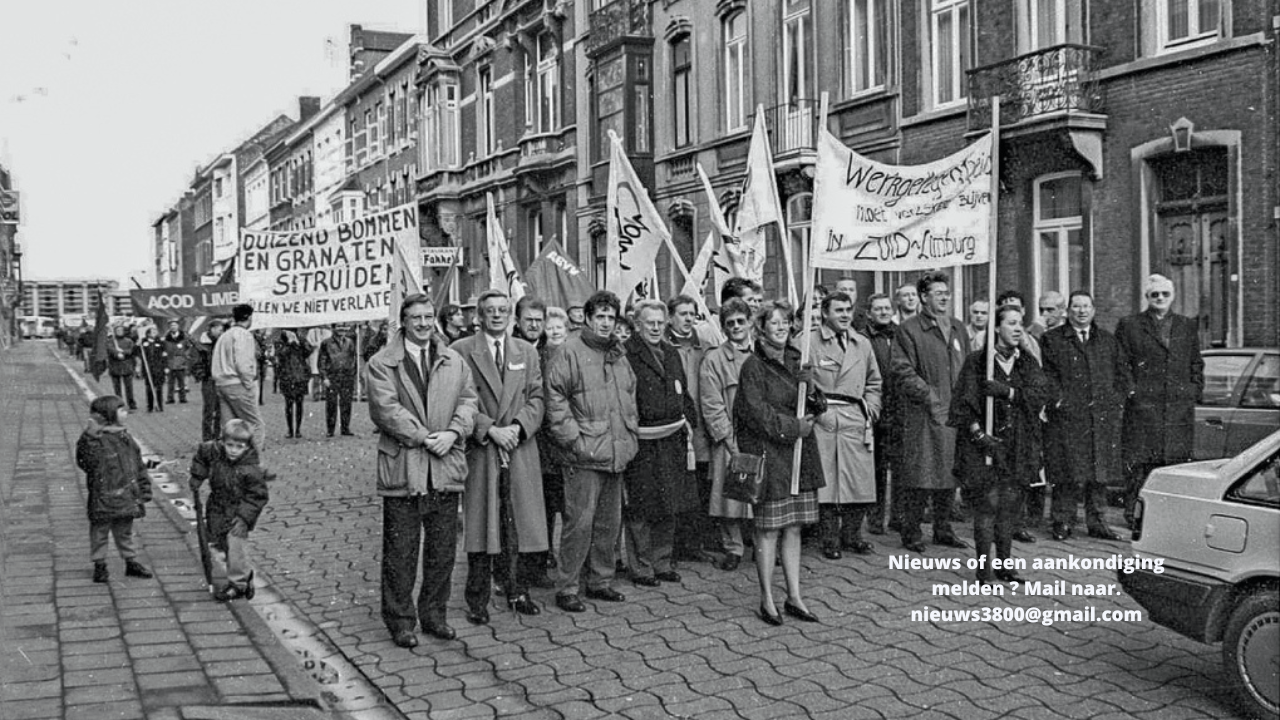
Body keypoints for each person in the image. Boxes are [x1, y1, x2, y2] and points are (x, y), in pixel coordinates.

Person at [366, 293, 478, 647]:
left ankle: (434, 615)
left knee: (442, 550)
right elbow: (385, 409)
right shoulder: (382, 363)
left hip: (444, 467)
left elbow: (469, 401)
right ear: (404, 321)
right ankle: (400, 621)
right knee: (401, 552)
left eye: (429, 317)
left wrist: (454, 432)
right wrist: (426, 437)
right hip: (406, 467)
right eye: (416, 318)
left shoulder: (452, 360)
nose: (424, 324)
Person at [452, 290, 548, 623]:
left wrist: (519, 428)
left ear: (511, 316)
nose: (497, 315)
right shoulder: (460, 351)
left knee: (518, 521)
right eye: (490, 310)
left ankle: (518, 590)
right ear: (479, 315)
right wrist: (490, 429)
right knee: (482, 524)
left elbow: (537, 397)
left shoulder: (525, 352)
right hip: (484, 448)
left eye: (503, 310)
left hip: (518, 446)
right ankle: (477, 599)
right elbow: (457, 401)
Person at [544, 291, 639, 612]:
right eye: (599, 316)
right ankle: (567, 586)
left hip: (615, 452)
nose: (605, 322)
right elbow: (555, 401)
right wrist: (576, 442)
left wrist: (629, 435)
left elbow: (629, 396)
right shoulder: (569, 351)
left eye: (611, 317)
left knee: (608, 524)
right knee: (579, 524)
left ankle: (600, 581)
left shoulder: (618, 354)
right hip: (584, 455)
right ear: (587, 318)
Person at [734, 299, 825, 625]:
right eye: (775, 323)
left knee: (794, 528)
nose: (782, 328)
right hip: (771, 457)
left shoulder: (797, 359)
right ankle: (767, 598)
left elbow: (818, 406)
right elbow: (757, 416)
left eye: (786, 323)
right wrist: (794, 428)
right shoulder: (753, 367)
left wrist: (812, 388)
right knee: (768, 529)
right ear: (761, 328)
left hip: (799, 457)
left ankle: (795, 596)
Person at [949, 304, 1051, 585]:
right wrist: (980, 436)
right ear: (997, 328)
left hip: (1017, 445)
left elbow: (1039, 395)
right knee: (986, 507)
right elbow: (962, 404)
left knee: (1010, 506)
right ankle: (984, 569)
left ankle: (1006, 565)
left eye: (1021, 323)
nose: (1018, 329)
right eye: (1011, 323)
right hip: (984, 446)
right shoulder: (978, 362)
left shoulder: (1026, 362)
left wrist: (1009, 391)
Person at [1116, 274, 1204, 529]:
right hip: (1143, 408)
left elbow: (1195, 362)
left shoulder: (1186, 326)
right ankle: (1134, 513)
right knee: (1140, 464)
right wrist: (1132, 393)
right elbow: (1121, 364)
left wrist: (1193, 391)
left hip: (1177, 409)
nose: (1160, 299)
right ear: (1147, 298)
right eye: (1155, 295)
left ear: (1172, 296)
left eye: (1165, 294)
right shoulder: (1130, 325)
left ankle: (1168, 518)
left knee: (1172, 463)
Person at [890, 272, 969, 554]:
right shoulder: (909, 330)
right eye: (938, 293)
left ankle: (943, 529)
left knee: (950, 473)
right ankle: (911, 531)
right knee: (921, 475)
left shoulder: (958, 328)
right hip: (924, 414)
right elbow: (902, 371)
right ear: (924, 297)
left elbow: (968, 367)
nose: (945, 297)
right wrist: (931, 397)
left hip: (955, 413)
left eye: (947, 292)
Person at [622, 300, 699, 588]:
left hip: (672, 439)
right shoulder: (625, 353)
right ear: (637, 325)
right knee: (641, 506)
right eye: (649, 323)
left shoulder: (670, 352)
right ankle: (641, 566)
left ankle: (662, 561)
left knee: (669, 502)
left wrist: (689, 419)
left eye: (659, 322)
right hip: (642, 440)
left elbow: (683, 391)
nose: (655, 328)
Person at [1042, 291, 1127, 542]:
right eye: (1076, 306)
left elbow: (1123, 374)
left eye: (1086, 306)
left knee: (1099, 473)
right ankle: (1062, 521)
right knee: (1067, 471)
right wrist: (1058, 401)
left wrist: (1115, 402)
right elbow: (1047, 375)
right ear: (1067, 311)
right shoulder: (1052, 340)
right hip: (1068, 417)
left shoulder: (1108, 341)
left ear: (1093, 310)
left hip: (1100, 417)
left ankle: (1098, 522)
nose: (1081, 311)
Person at [810, 291, 882, 559]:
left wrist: (871, 410)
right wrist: (814, 411)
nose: (844, 315)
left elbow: (874, 382)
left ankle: (852, 535)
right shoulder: (809, 343)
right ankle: (829, 540)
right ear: (824, 314)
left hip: (855, 419)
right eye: (838, 310)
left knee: (859, 483)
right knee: (827, 485)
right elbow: (799, 383)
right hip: (824, 417)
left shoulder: (862, 344)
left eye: (848, 310)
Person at [700, 298, 755, 572]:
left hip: (761, 437)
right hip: (729, 439)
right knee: (729, 498)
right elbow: (712, 406)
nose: (735, 326)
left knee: (761, 495)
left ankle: (761, 544)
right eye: (730, 323)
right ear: (723, 328)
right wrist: (731, 443)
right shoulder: (714, 359)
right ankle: (733, 548)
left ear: (750, 323)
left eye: (740, 321)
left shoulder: (763, 354)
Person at [189, 419, 271, 600]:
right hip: (217, 507)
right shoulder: (215, 452)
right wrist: (197, 476)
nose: (233, 450)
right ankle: (245, 574)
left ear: (248, 447)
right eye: (230, 445)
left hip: (238, 514)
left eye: (239, 447)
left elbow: (257, 496)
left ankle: (238, 584)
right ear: (222, 442)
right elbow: (202, 455)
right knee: (223, 544)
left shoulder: (250, 469)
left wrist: (243, 518)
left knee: (235, 547)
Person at [75, 395, 153, 583]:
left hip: (126, 494)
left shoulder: (125, 436)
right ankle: (99, 564)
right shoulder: (95, 439)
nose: (125, 413)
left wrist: (144, 487)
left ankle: (130, 561)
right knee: (100, 532)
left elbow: (137, 465)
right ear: (109, 415)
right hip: (104, 496)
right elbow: (87, 462)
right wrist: (90, 437)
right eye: (121, 410)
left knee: (125, 530)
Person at [666, 294, 716, 562]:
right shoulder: (664, 345)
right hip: (675, 427)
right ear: (670, 317)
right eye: (682, 313)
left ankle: (695, 543)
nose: (688, 319)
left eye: (691, 314)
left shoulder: (704, 345)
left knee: (699, 487)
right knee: (677, 486)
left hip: (700, 428)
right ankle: (674, 546)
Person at [535, 305, 570, 579]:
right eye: (550, 327)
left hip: (568, 441)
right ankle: (545, 552)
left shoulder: (573, 354)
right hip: (546, 441)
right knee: (547, 501)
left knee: (569, 503)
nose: (555, 331)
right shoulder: (538, 356)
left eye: (560, 326)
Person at [864, 293, 900, 536]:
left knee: (899, 465)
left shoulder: (901, 335)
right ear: (869, 313)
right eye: (878, 309)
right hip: (876, 408)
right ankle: (875, 518)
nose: (884, 312)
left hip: (899, 408)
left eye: (887, 308)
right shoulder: (864, 338)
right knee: (876, 467)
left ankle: (898, 516)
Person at [211, 304, 265, 453]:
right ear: (248, 317)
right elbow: (243, 364)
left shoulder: (225, 335)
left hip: (222, 384)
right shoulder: (244, 335)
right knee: (255, 425)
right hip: (237, 384)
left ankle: (228, 464)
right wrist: (249, 383)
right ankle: (253, 464)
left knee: (229, 427)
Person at [190, 319, 227, 442]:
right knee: (209, 411)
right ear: (212, 329)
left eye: (222, 330)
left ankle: (217, 436)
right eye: (219, 329)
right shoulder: (201, 344)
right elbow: (195, 363)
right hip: (209, 380)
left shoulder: (222, 343)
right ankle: (207, 438)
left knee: (220, 410)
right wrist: (204, 375)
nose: (221, 332)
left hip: (222, 380)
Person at [319, 324, 359, 437]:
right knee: (331, 404)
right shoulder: (326, 343)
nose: (342, 330)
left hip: (347, 376)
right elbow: (322, 361)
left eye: (344, 328)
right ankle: (330, 429)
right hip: (332, 376)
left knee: (346, 403)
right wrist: (324, 377)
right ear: (333, 329)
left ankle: (345, 428)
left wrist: (353, 373)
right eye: (339, 328)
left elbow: (353, 358)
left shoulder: (350, 342)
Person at [274, 329, 313, 439]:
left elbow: (308, 351)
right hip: (287, 376)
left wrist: (299, 342)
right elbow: (280, 355)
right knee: (289, 404)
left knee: (300, 403)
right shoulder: (280, 341)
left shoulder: (300, 339)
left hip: (300, 376)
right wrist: (289, 344)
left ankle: (298, 429)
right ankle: (290, 430)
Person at [107, 325, 139, 410]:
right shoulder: (110, 341)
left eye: (121, 330)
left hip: (127, 365)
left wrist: (124, 352)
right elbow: (110, 349)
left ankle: (131, 403)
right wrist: (117, 354)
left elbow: (132, 350)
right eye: (117, 330)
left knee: (129, 387)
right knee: (117, 388)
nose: (119, 331)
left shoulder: (129, 341)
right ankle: (119, 404)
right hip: (115, 366)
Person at [162, 320, 191, 404]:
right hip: (170, 362)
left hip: (181, 362)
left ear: (178, 327)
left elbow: (189, 347)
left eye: (174, 325)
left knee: (181, 382)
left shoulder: (184, 337)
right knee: (170, 382)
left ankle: (183, 398)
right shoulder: (166, 338)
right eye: (171, 325)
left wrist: (185, 355)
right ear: (169, 327)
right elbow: (163, 349)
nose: (173, 327)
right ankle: (170, 398)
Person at [139, 327, 167, 413]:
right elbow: (137, 353)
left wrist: (165, 367)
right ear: (148, 333)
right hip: (148, 369)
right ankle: (150, 406)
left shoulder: (161, 343)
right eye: (152, 331)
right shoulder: (143, 343)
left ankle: (159, 405)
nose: (154, 333)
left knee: (159, 388)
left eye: (155, 331)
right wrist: (137, 345)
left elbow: (165, 356)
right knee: (149, 388)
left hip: (159, 369)